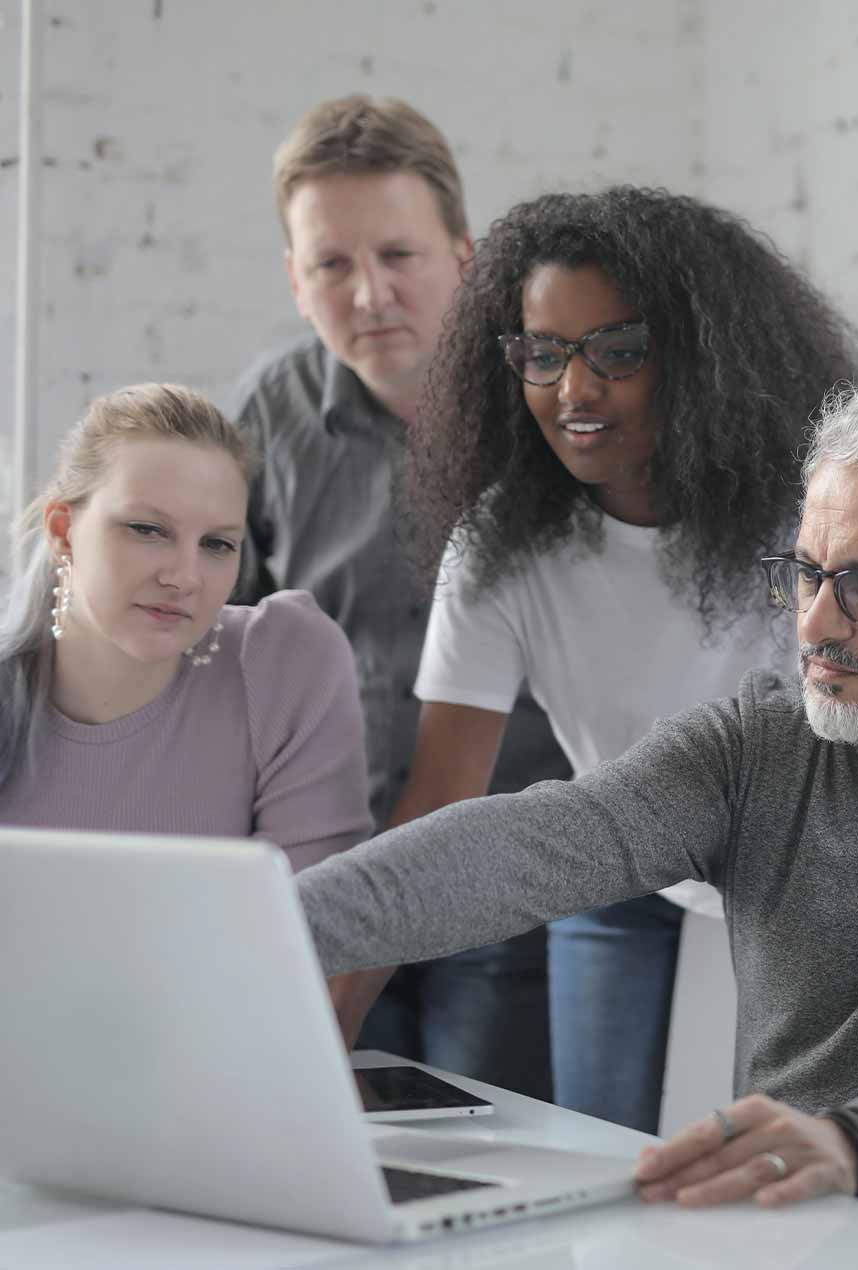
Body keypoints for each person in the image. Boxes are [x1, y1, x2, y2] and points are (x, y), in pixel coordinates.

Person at [303, 385, 858, 1247]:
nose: (816, 622)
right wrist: (267, 925)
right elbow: (527, 846)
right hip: (799, 1230)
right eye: (809, 573)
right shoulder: (757, 746)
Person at [392, 185, 858, 1133]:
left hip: (795, 893)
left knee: (780, 1186)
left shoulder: (807, 517)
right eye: (543, 353)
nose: (574, 389)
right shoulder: (500, 549)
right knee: (609, 1169)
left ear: (700, 360)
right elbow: (438, 804)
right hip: (617, 882)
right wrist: (323, 1013)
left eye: (617, 352)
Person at [225, 96, 571, 1096]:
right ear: (295, 281)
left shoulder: (550, 409)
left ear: (464, 258)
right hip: (321, 883)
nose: (368, 294)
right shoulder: (265, 417)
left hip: (507, 887)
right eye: (330, 264)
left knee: (502, 1187)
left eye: (398, 255)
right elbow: (217, 649)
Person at [0, 383, 370, 867]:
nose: (184, 578)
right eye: (147, 530)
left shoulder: (286, 665)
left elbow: (316, 928)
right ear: (62, 532)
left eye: (216, 544)